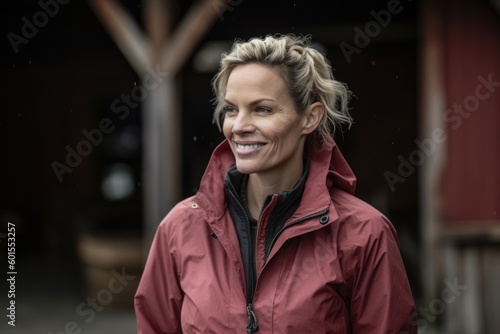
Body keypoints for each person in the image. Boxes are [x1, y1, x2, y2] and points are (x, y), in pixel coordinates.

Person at [134, 33, 417, 333]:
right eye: (231, 109)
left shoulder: (364, 234)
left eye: (262, 109)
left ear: (310, 118)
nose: (239, 126)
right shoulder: (179, 228)